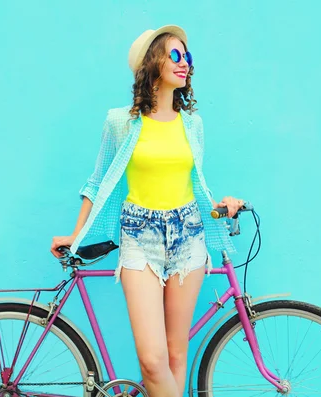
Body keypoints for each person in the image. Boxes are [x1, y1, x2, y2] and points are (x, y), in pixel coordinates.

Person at [51, 25, 243, 397]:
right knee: (152, 362)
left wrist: (224, 206)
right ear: (152, 62)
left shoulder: (193, 125)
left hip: (189, 236)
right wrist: (78, 236)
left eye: (187, 56)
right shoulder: (121, 122)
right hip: (140, 237)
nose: (184, 62)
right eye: (175, 54)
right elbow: (96, 183)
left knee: (174, 355)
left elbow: (194, 185)